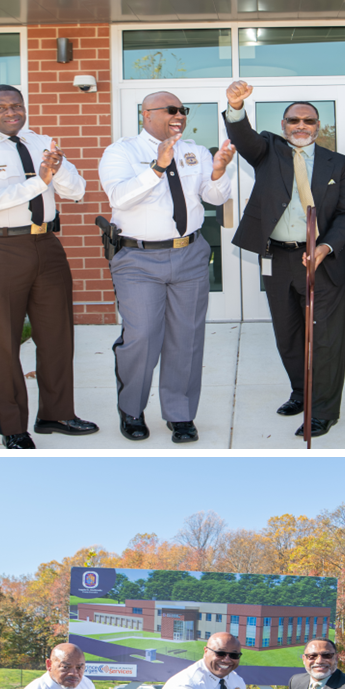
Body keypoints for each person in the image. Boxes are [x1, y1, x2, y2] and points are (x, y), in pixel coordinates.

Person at [0, 85, 97, 449]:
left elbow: (77, 191)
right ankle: (14, 428)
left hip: (46, 245)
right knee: (3, 342)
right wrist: (37, 183)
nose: (10, 112)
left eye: (16, 105)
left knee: (57, 336)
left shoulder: (42, 141)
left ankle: (56, 414)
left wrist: (56, 171)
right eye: (1, 107)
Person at [223, 82, 345, 439]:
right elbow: (243, 136)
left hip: (321, 260)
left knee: (325, 338)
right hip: (278, 259)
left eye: (309, 120)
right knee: (288, 334)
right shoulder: (268, 151)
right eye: (294, 120)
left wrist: (326, 247)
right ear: (284, 125)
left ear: (319, 126)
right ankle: (301, 393)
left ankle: (324, 411)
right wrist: (235, 106)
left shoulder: (339, 164)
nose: (301, 125)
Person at [98, 91, 235, 444]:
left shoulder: (195, 151)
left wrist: (218, 171)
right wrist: (158, 166)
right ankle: (131, 408)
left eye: (182, 110)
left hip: (189, 254)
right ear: (146, 115)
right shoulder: (122, 152)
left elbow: (214, 197)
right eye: (170, 110)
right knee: (142, 336)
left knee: (186, 338)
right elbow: (120, 198)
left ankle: (181, 413)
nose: (179, 115)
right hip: (138, 258)